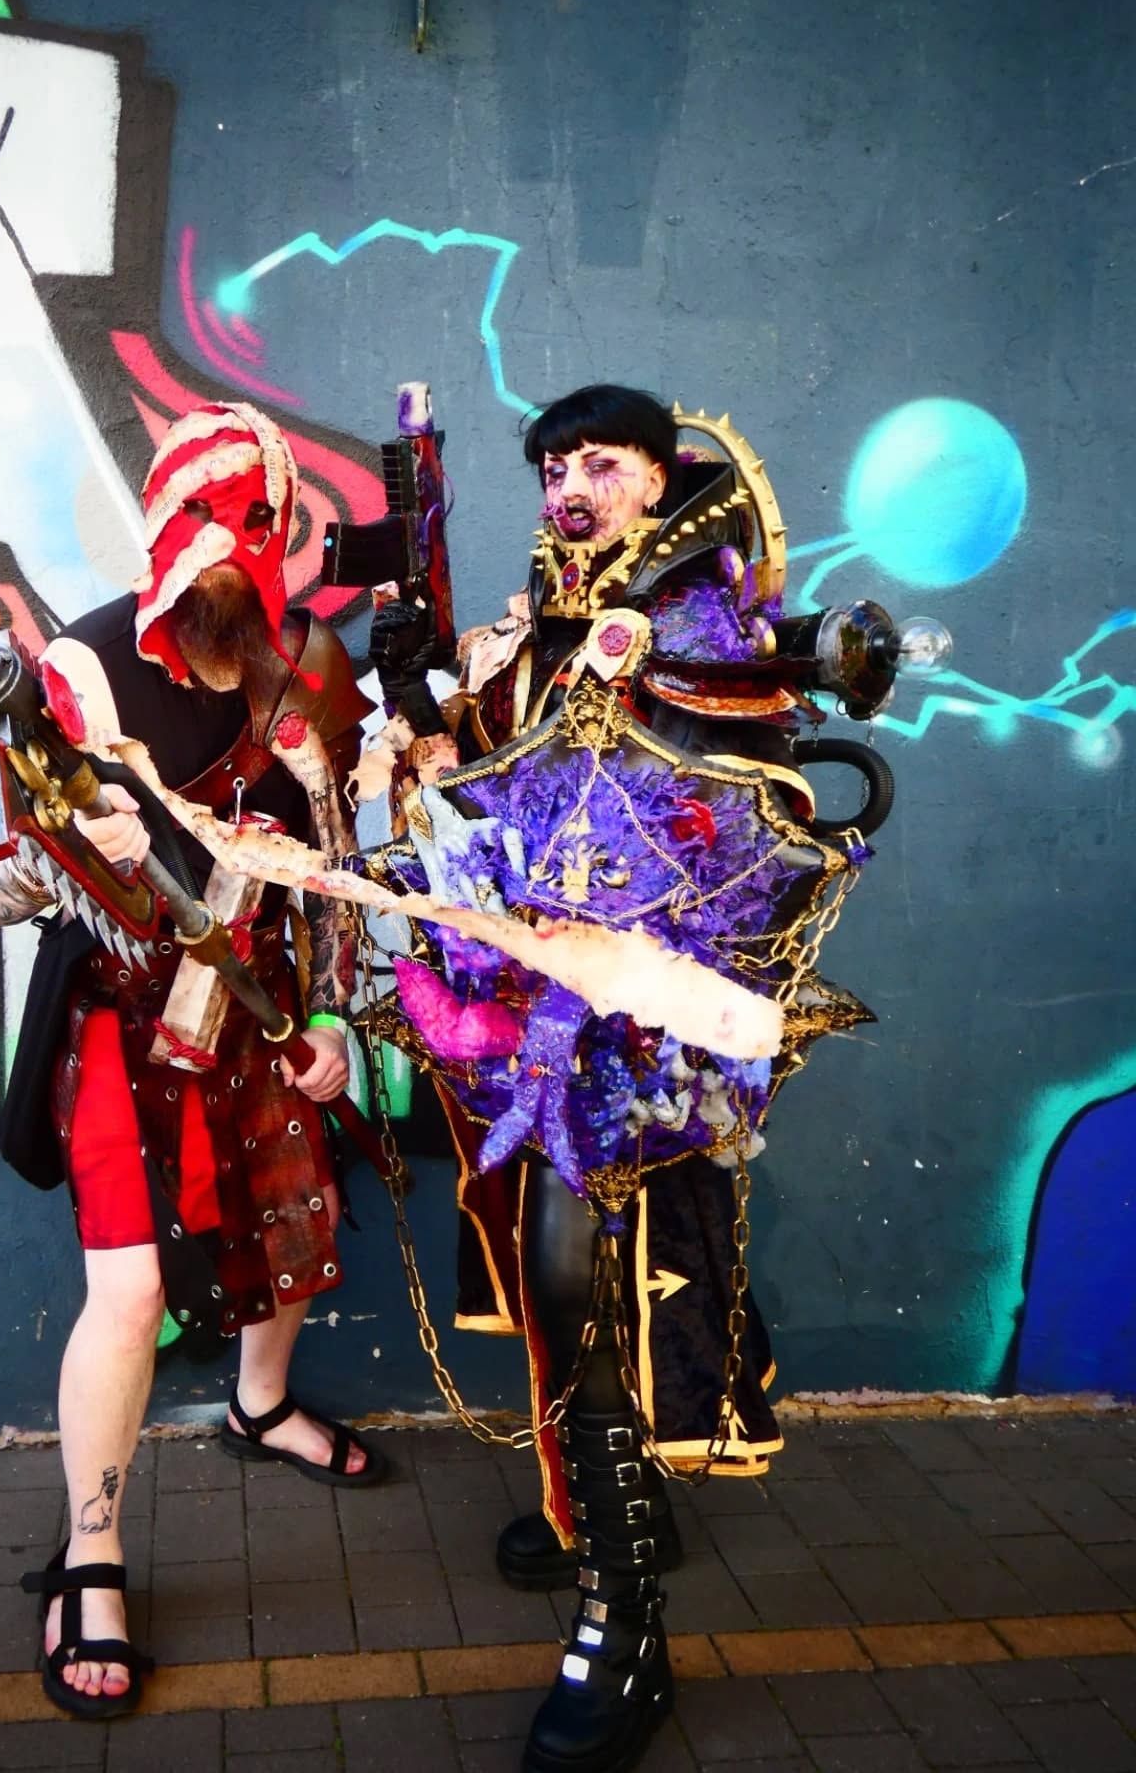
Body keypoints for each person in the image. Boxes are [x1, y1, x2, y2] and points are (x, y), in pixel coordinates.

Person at [366, 384, 893, 1773]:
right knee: (558, 1291)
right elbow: (480, 779)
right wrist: (413, 690)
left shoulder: (707, 635)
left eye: (599, 462)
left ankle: (625, 1619)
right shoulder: (546, 626)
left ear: (661, 479)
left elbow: (741, 811)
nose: (569, 486)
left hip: (647, 1041)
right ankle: (609, 1520)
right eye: (553, 465)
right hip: (530, 1014)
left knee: (589, 1291)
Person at [0, 400, 383, 1721]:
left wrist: (334, 1018)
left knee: (294, 1218)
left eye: (248, 525)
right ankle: (89, 1557)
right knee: (134, 1290)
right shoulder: (75, 676)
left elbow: (339, 870)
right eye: (197, 519)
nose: (219, 552)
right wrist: (55, 856)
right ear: (158, 522)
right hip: (120, 1010)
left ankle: (259, 1405)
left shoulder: (310, 668)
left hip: (263, 1001)